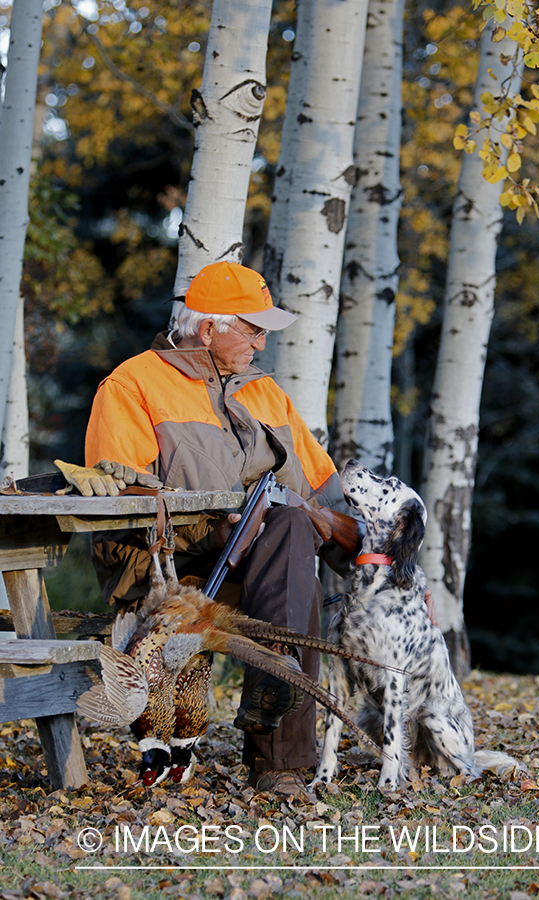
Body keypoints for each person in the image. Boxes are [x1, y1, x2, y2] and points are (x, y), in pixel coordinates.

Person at [84, 260, 354, 801]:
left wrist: (380, 560)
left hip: (266, 561)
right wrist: (208, 520)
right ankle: (278, 758)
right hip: (171, 565)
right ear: (209, 329)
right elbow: (117, 499)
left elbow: (328, 491)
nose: (259, 344)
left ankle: (275, 713)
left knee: (292, 526)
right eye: (252, 330)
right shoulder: (132, 384)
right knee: (290, 537)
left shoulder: (266, 395)